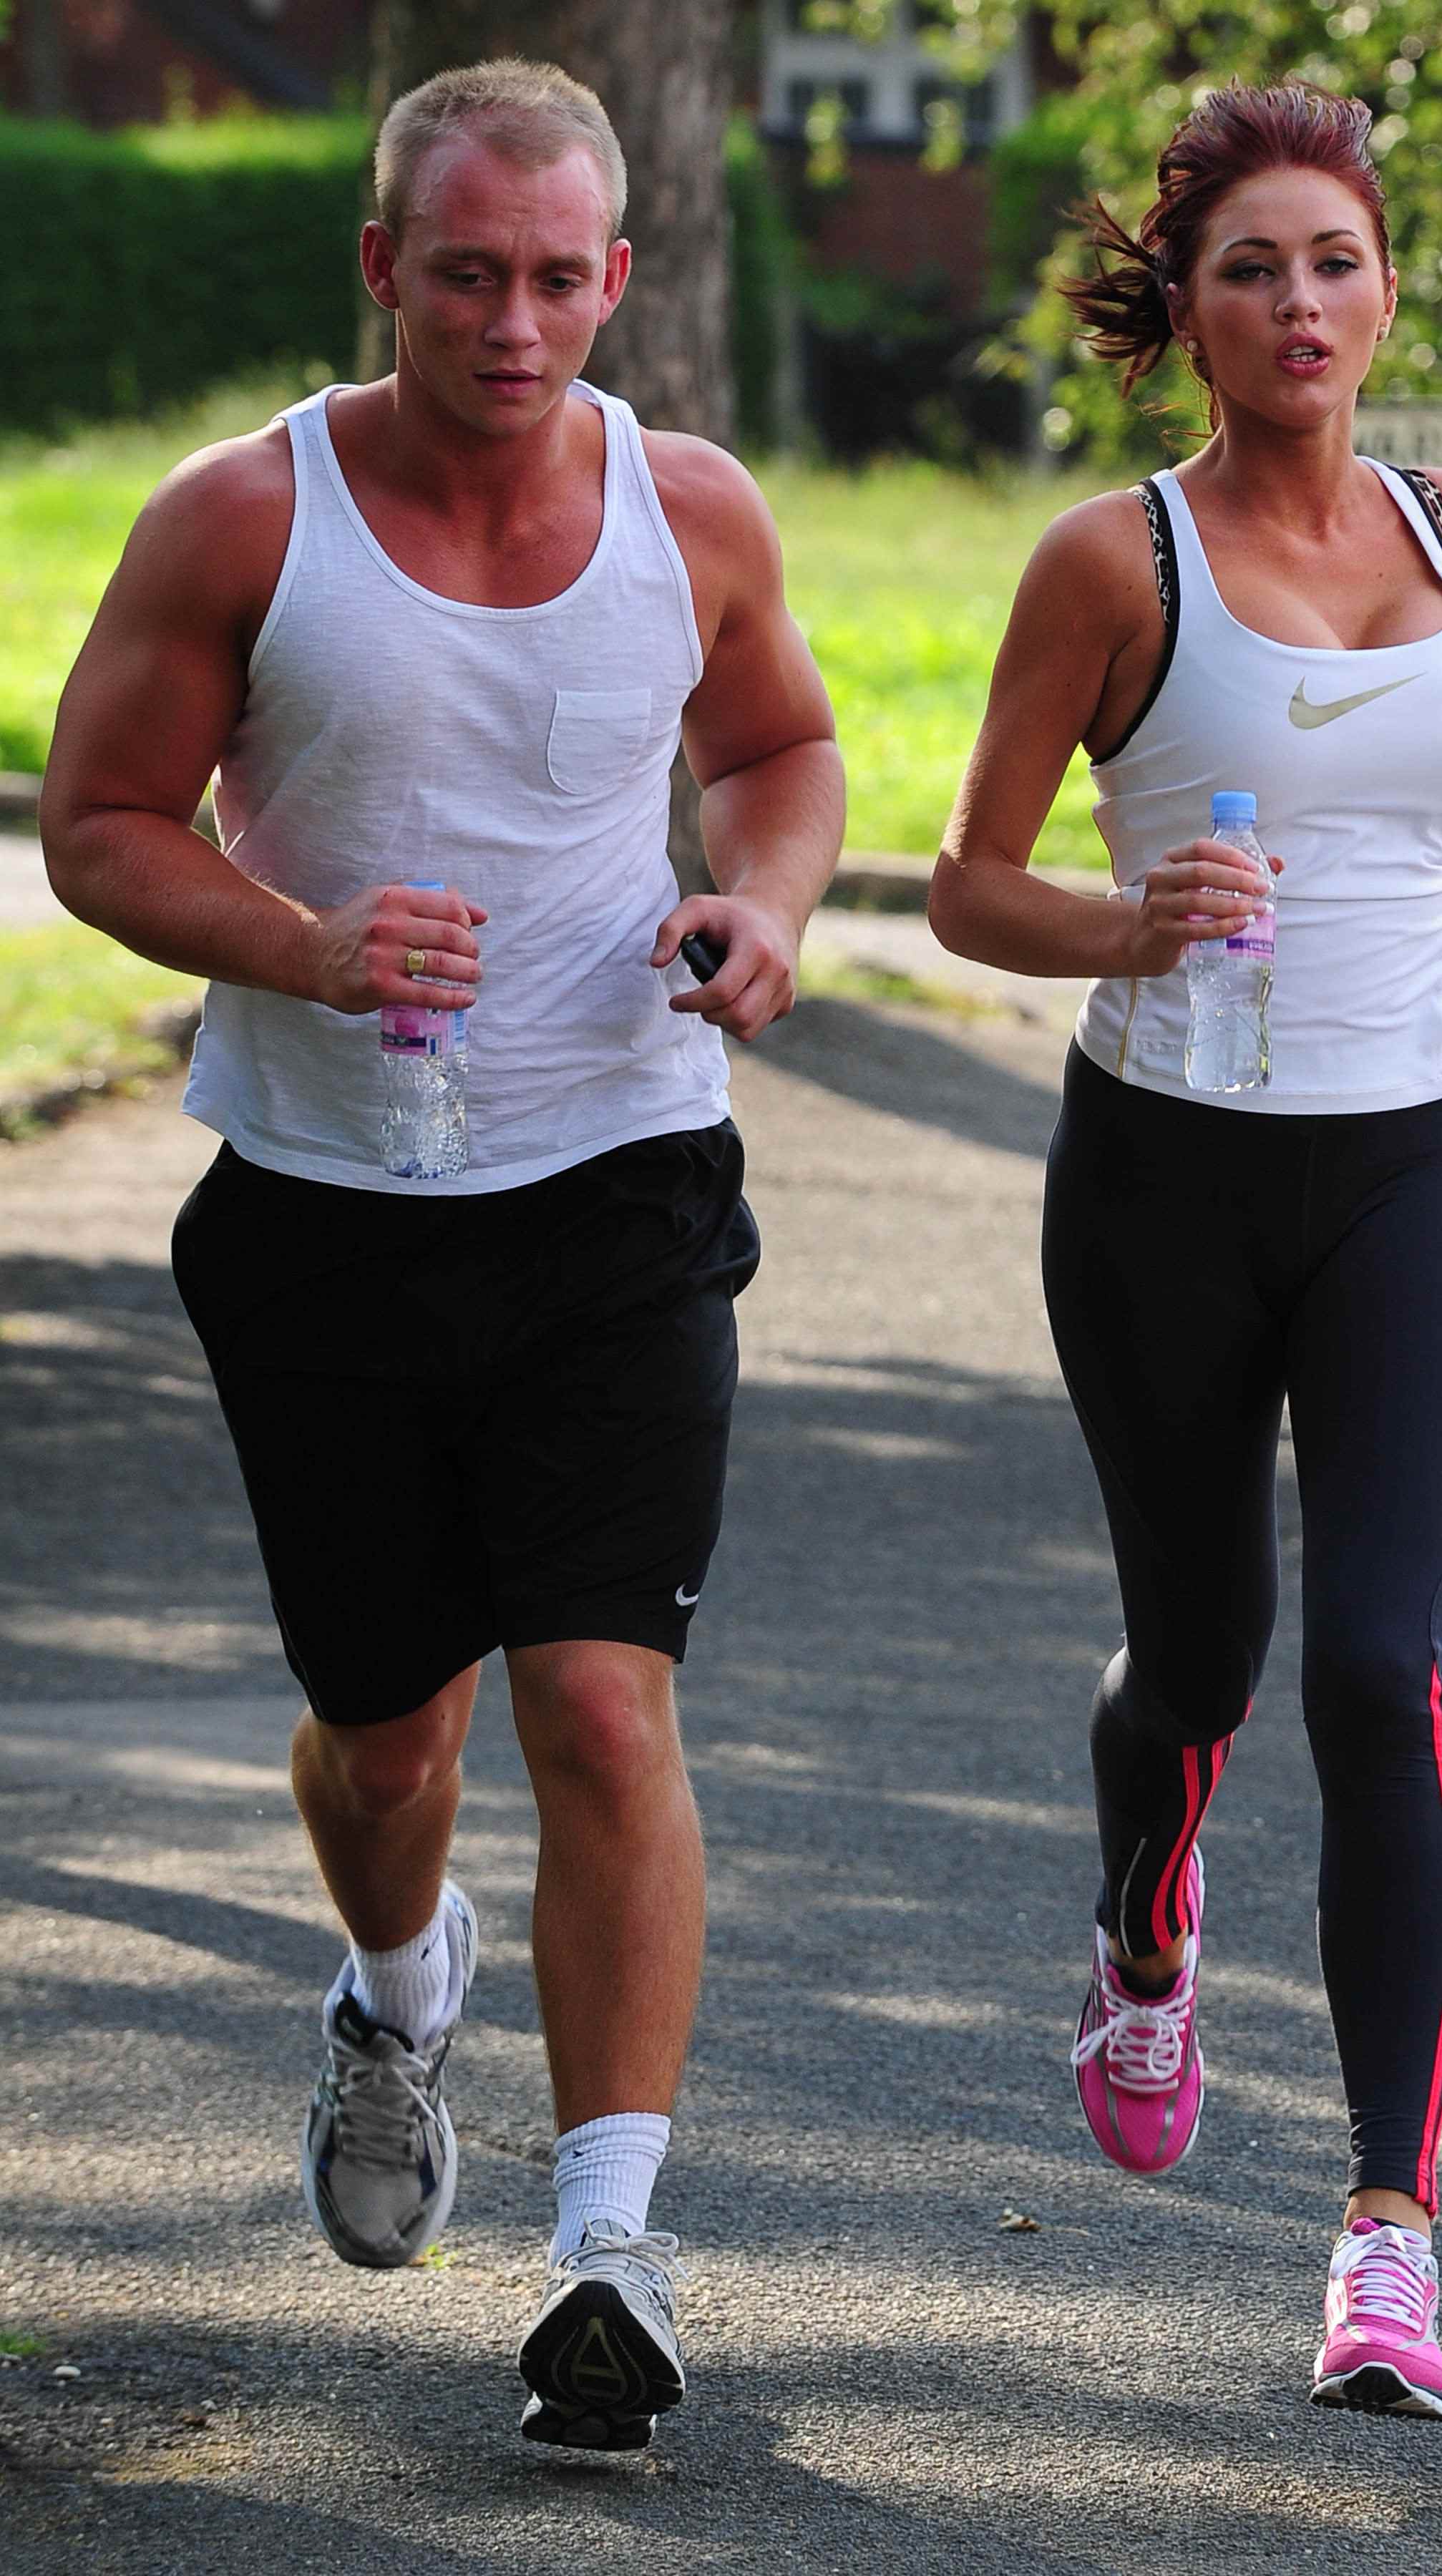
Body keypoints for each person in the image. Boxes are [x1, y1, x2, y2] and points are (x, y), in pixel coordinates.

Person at [41, 58, 842, 2454]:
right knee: (393, 1742)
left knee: (603, 1707)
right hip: (324, 1209)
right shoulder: (240, 517)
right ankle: (400, 1995)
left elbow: (787, 747)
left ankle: (613, 2238)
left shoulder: (686, 507)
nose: (517, 321)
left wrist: (767, 908)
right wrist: (299, 942)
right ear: (385, 266)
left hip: (621, 1182)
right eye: (469, 272)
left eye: (562, 276)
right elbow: (96, 822)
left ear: (621, 275)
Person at [929, 79, 1442, 2419]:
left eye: (1334, 260)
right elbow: (965, 882)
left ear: (1386, 285)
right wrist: (1133, 914)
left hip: (1414, 1164)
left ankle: (1389, 2240)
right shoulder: (1110, 567)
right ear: (1192, 314)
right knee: (1202, 1663)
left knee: (1383, 1662)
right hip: (1165, 1178)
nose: (1300, 302)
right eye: (1253, 269)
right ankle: (1142, 1933)